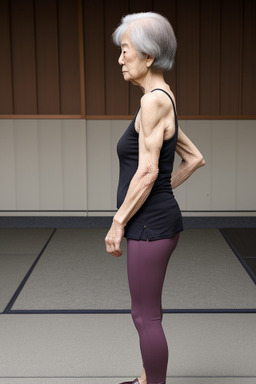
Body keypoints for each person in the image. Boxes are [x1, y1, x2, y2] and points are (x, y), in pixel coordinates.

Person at [105, 12, 205, 384]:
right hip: (154, 221)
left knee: (145, 315)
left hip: (149, 226)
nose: (120, 59)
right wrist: (163, 189)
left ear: (148, 56)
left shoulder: (153, 103)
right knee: (146, 312)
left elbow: (147, 172)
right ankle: (147, 379)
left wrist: (119, 221)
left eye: (126, 51)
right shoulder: (162, 98)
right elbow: (194, 157)